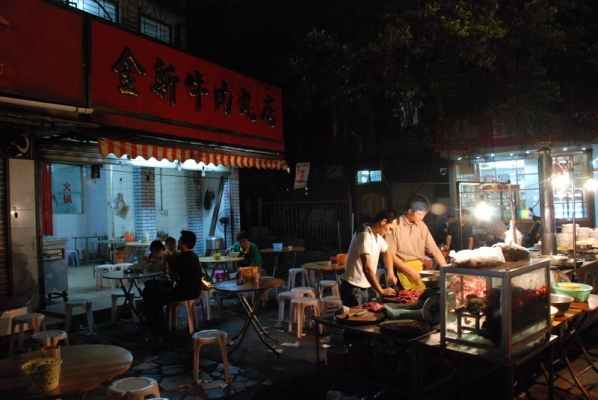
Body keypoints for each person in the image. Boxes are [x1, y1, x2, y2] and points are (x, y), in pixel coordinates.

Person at [144, 230, 204, 335]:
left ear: (185, 244)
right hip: (195, 291)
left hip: (183, 292)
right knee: (156, 291)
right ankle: (166, 322)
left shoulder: (182, 257)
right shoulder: (194, 256)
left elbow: (172, 276)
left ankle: (162, 329)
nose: (178, 242)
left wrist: (169, 263)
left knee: (154, 300)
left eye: (180, 240)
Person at [385, 195, 449, 290]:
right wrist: (409, 271)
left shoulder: (421, 225)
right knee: (406, 297)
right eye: (420, 214)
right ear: (410, 211)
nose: (422, 218)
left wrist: (446, 271)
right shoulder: (395, 225)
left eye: (424, 215)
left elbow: (435, 251)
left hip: (419, 269)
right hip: (400, 270)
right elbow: (390, 255)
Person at [340, 209, 399, 307]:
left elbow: (387, 251)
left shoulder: (377, 236)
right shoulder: (364, 234)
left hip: (366, 287)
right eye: (390, 229)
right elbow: (367, 268)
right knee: (356, 317)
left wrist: (391, 273)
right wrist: (381, 291)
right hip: (353, 289)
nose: (389, 233)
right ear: (384, 221)